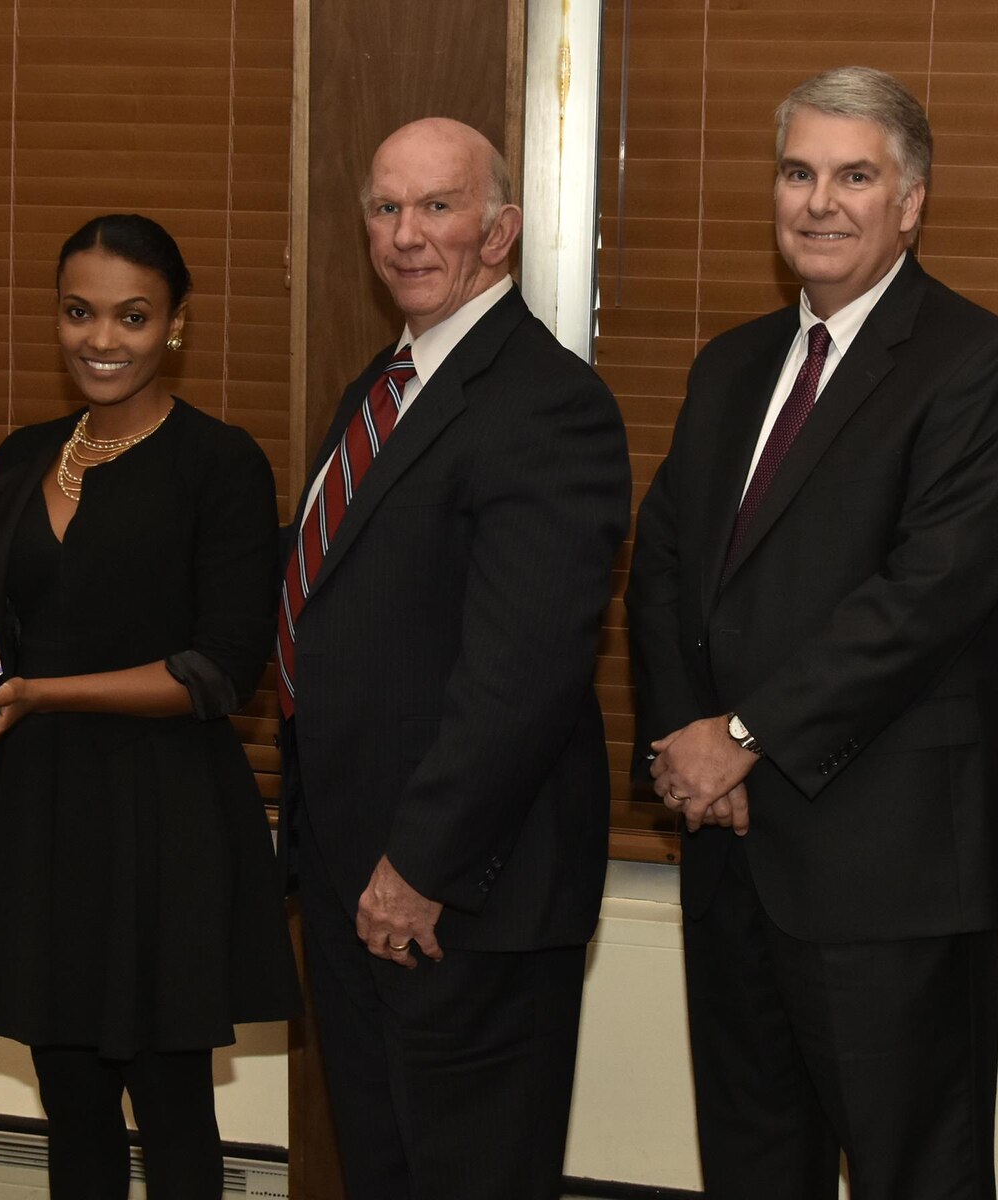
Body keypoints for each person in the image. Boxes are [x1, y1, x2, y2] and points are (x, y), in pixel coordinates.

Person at [627, 67, 998, 1200]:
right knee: (754, 1167)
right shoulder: (729, 366)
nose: (819, 201)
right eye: (798, 172)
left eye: (853, 176)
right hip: (730, 849)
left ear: (908, 201)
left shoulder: (974, 361)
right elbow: (662, 563)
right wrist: (683, 742)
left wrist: (746, 733)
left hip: (884, 870)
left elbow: (927, 593)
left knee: (918, 1173)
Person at [276, 117, 629, 1200]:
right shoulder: (379, 390)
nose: (406, 234)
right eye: (385, 207)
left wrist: (420, 868)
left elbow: (519, 674)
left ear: (501, 230)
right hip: (352, 878)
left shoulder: (546, 404)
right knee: (382, 1172)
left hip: (461, 898)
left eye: (438, 206)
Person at [0, 214, 297, 1200]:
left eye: (132, 316)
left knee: (171, 1105)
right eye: (79, 312)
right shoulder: (21, 456)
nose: (103, 339)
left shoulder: (220, 464)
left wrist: (37, 694)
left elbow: (219, 671)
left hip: (163, 816)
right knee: (72, 1100)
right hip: (44, 810)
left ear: (175, 325)